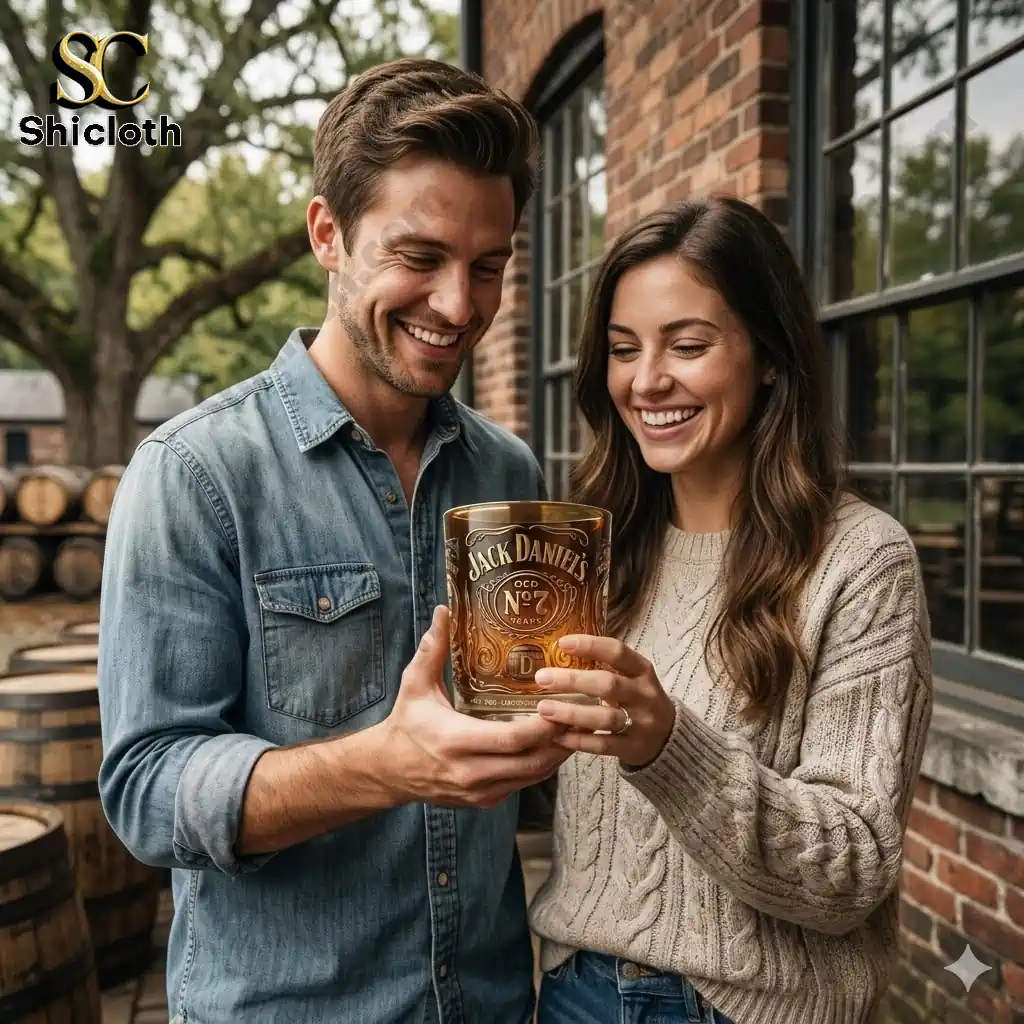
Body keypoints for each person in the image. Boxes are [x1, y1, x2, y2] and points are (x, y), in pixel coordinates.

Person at [97, 57, 570, 1024]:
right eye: (419, 256)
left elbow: (513, 757)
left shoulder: (508, 475)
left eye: (489, 266)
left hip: (488, 1002)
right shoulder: (195, 475)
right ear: (328, 234)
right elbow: (146, 789)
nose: (458, 305)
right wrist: (384, 765)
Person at [526, 196, 934, 1024]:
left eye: (688, 345)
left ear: (771, 357)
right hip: (575, 993)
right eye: (622, 350)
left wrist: (668, 746)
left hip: (749, 1010)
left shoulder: (861, 561)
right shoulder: (595, 552)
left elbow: (852, 867)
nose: (648, 381)